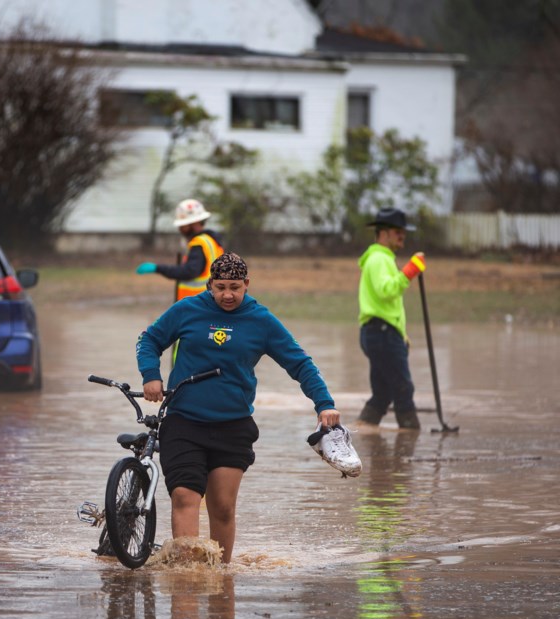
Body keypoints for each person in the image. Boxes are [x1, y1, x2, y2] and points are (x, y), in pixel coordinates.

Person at [136, 252, 341, 563]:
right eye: (220, 287)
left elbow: (300, 364)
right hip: (183, 421)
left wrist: (324, 403)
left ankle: (219, 577)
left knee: (222, 506)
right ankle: (186, 576)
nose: (227, 295)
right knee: (184, 496)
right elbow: (149, 339)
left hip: (232, 426)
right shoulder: (187, 309)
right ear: (209, 285)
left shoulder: (262, 321)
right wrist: (151, 376)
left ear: (247, 284)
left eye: (234, 287)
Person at [356, 207, 426, 429]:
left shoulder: (382, 258)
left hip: (382, 333)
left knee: (383, 392)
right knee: (403, 389)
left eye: (403, 232)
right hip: (382, 334)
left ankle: (363, 430)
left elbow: (387, 303)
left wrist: (401, 335)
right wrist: (411, 271)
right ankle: (410, 440)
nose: (402, 236)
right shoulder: (378, 259)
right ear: (384, 233)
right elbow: (386, 291)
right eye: (398, 232)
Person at [135, 198, 225, 300]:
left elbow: (189, 271)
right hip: (208, 300)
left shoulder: (199, 243)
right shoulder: (211, 241)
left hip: (196, 302)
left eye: (183, 225)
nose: (180, 229)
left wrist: (158, 268)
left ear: (194, 223)